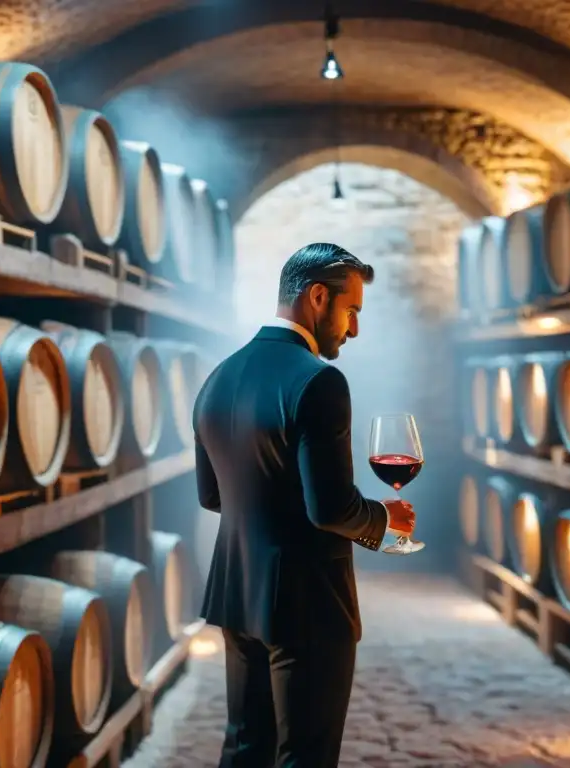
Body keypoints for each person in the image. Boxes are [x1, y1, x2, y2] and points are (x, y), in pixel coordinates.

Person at [192, 242, 417, 767]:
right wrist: (387, 523)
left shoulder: (218, 376)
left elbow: (211, 496)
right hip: (308, 605)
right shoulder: (320, 381)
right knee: (306, 758)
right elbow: (332, 509)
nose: (354, 329)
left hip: (237, 594)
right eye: (352, 311)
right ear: (318, 297)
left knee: (245, 749)